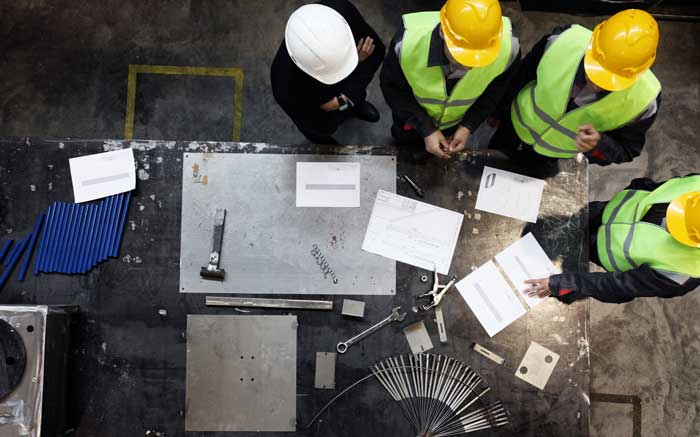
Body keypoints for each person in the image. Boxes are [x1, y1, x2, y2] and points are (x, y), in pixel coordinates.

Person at [490, 9, 661, 165]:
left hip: (553, 155)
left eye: (608, 82)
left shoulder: (644, 101)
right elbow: (520, 77)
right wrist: (498, 111)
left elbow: (627, 150)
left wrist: (600, 144)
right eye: (593, 71)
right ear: (592, 44)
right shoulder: (561, 42)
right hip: (514, 126)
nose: (595, 84)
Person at [525, 175, 700, 304]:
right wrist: (630, 191)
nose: (669, 222)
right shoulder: (696, 184)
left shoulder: (683, 272)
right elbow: (655, 187)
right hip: (603, 211)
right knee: (554, 232)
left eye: (677, 227)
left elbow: (617, 287)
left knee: (571, 275)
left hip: (601, 250)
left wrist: (560, 283)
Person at [380, 0, 521, 159]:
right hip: (411, 121)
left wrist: (467, 126)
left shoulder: (509, 49)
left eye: (481, 59)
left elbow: (495, 92)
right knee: (405, 151)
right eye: (462, 57)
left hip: (455, 125)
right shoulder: (407, 43)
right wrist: (426, 129)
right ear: (442, 32)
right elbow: (393, 89)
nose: (470, 67)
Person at [270, 0, 385, 144]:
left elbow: (377, 52)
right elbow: (320, 125)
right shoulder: (284, 86)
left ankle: (353, 107)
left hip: (341, 96)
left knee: (351, 101)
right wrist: (332, 117)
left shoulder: (341, 12)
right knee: (323, 131)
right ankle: (324, 144)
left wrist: (344, 100)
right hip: (317, 109)